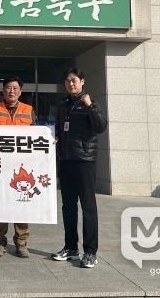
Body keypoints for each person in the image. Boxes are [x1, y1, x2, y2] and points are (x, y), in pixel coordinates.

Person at [52, 67, 107, 269]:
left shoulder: (90, 103)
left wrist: (90, 105)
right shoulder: (63, 106)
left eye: (74, 80)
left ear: (82, 82)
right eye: (67, 81)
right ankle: (70, 247)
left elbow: (101, 126)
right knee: (68, 206)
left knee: (88, 206)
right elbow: (59, 129)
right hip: (66, 160)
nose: (71, 84)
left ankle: (90, 251)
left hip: (85, 160)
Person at [0, 76, 36, 258]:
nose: (12, 91)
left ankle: (21, 243)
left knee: (21, 204)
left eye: (15, 88)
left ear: (20, 91)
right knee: (0, 203)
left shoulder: (28, 110)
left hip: (21, 166)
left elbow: (36, 134)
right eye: (8, 88)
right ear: (3, 91)